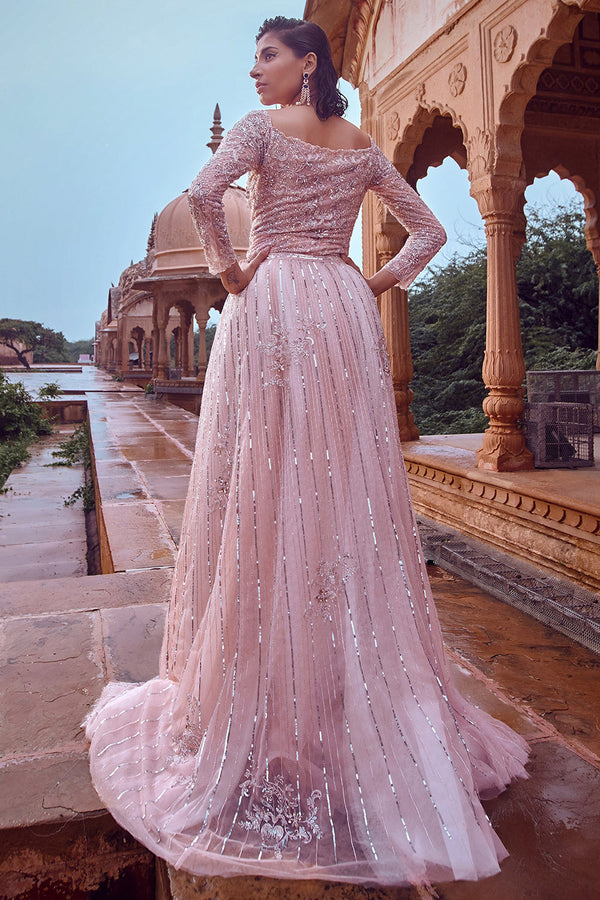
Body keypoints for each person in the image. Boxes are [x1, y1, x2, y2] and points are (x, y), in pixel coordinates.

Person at [85, 16, 529, 888]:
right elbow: (431, 233)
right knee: (337, 488)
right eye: (254, 59)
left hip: (275, 300)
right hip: (337, 308)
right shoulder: (360, 143)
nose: (255, 73)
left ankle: (266, 696)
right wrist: (370, 281)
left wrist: (233, 270)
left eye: (267, 57)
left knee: (262, 481)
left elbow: (207, 193)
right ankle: (338, 694)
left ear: (308, 63)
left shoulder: (259, 133)